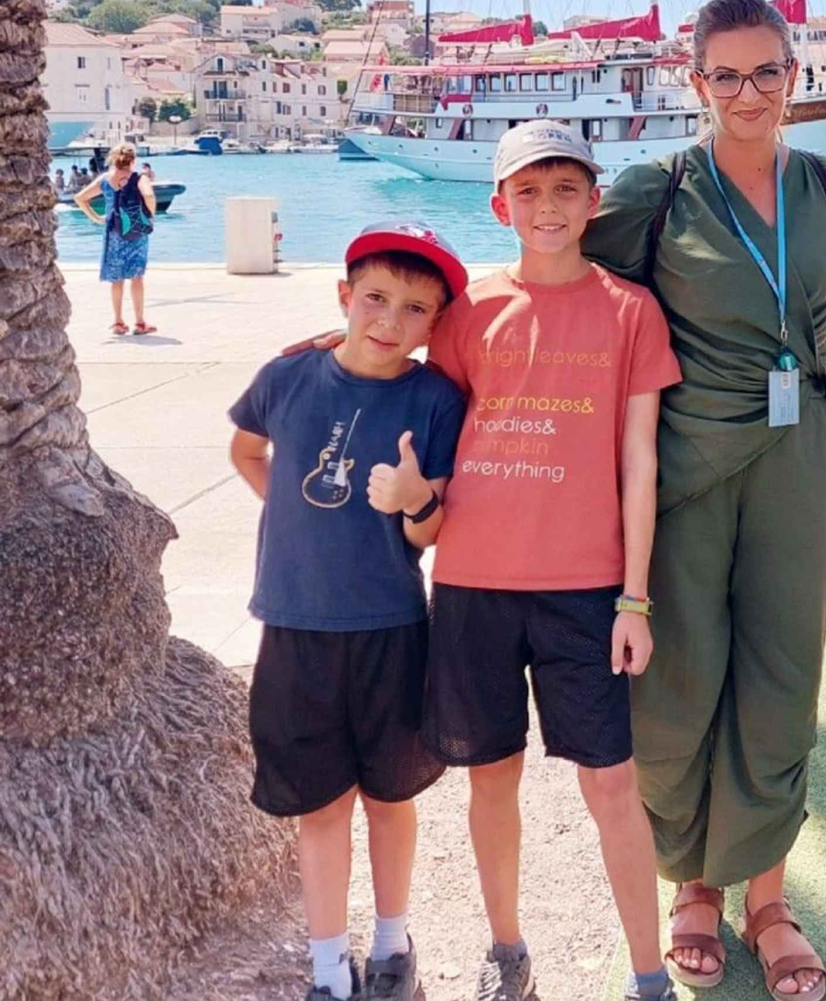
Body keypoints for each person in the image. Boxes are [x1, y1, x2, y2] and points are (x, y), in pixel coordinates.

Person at [579, 2, 826, 997]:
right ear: (695, 81)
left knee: (783, 670)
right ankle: (694, 887)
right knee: (679, 675)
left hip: (797, 450)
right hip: (686, 460)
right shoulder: (656, 188)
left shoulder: (823, 183)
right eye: (728, 76)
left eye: (767, 72)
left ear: (795, 75)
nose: (750, 94)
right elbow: (565, 276)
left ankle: (769, 899)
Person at [419, 122, 683, 1001]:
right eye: (528, 190)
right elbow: (427, 417)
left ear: (593, 202)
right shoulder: (466, 312)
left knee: (611, 782)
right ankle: (508, 954)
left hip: (586, 590)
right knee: (491, 778)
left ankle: (647, 973)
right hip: (472, 585)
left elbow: (639, 459)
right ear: (501, 207)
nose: (548, 206)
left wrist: (634, 599)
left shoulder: (630, 310)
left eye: (566, 188)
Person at [228, 223, 470, 1001]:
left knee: (390, 798)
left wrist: (414, 498)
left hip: (390, 627)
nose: (390, 320)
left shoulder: (435, 398)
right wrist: (293, 516)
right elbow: (246, 449)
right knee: (321, 805)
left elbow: (430, 530)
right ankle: (329, 966)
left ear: (434, 324)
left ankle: (393, 944)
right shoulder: (286, 376)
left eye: (414, 308)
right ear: (344, 295)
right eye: (375, 298)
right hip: (295, 628)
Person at [73, 142, 156, 335]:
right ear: (133, 160)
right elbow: (149, 195)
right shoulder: (139, 178)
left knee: (116, 279)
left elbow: (80, 198)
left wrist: (96, 218)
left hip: (113, 232)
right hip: (136, 231)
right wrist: (150, 214)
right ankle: (140, 323)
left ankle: (118, 322)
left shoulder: (105, 179)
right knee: (137, 276)